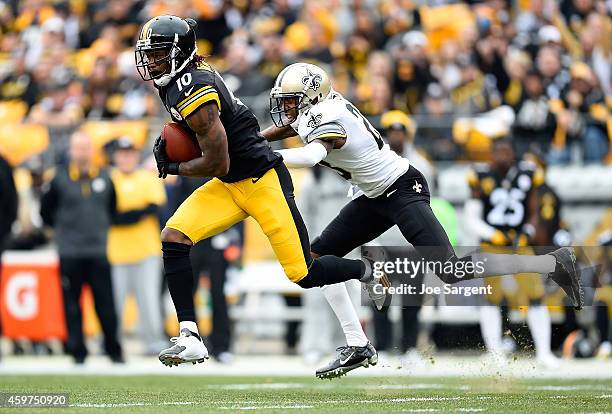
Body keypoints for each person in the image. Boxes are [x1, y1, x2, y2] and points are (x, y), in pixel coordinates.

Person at [262, 62, 584, 377]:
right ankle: (358, 344)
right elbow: (293, 127)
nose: (286, 108)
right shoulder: (318, 110)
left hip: (402, 189)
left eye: (291, 100)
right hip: (373, 197)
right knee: (314, 260)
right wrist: (254, 140)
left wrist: (265, 155)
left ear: (311, 97)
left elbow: (310, 156)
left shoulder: (329, 118)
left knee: (452, 271)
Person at [134, 16, 383, 368]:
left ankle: (370, 272)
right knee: (175, 236)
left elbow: (217, 162)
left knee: (304, 273)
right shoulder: (177, 81)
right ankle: (190, 336)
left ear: (180, 53)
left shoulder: (193, 86)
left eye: (159, 53)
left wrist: (173, 167)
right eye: (150, 54)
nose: (152, 61)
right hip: (231, 183)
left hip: (261, 180)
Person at [465, 138, 560, 368]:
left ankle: (544, 352)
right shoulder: (480, 175)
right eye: (498, 151)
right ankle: (494, 352)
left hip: (519, 243)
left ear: (513, 153)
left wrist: (528, 230)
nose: (502, 156)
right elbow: (471, 216)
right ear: (491, 154)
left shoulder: (527, 173)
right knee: (490, 298)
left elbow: (534, 209)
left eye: (506, 151)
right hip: (492, 244)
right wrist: (490, 233)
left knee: (535, 294)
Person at [40, 131, 123, 364]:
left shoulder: (106, 177)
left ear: (92, 150)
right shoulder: (58, 178)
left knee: (106, 305)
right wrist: (63, 233)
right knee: (72, 305)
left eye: (86, 147)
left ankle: (114, 351)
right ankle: (78, 353)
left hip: (98, 250)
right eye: (78, 147)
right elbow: (46, 212)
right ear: (71, 150)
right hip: (70, 252)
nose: (82, 152)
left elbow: (112, 209)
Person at [108, 137, 167, 355]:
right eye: (122, 153)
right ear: (115, 156)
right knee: (115, 303)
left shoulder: (146, 177)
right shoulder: (109, 178)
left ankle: (153, 342)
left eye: (129, 153)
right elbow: (108, 212)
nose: (126, 157)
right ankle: (112, 343)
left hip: (145, 251)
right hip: (116, 251)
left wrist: (123, 215)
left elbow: (154, 208)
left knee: (149, 301)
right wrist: (134, 213)